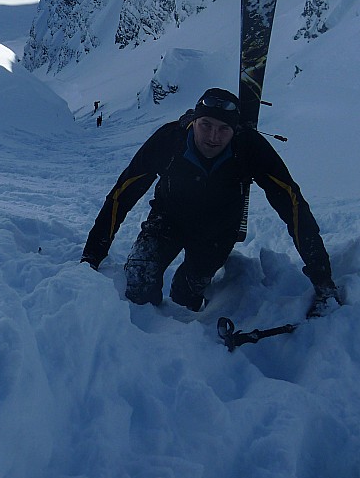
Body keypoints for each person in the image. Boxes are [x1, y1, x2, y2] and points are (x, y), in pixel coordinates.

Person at [81, 88, 340, 317]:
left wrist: (322, 278)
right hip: (167, 221)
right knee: (139, 280)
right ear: (194, 121)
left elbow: (292, 204)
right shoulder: (169, 140)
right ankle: (144, 337)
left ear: (235, 130)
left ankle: (187, 339)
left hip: (218, 233)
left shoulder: (249, 148)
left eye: (223, 129)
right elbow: (122, 194)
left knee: (186, 295)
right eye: (206, 125)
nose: (213, 137)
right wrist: (92, 254)